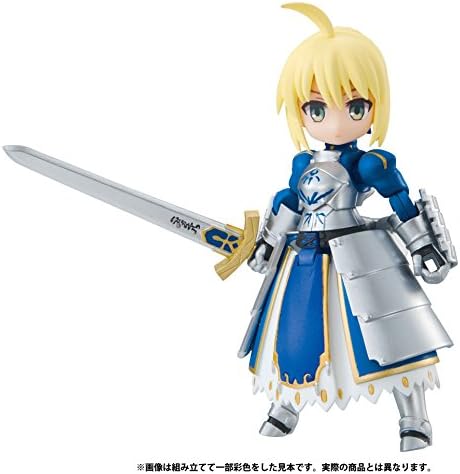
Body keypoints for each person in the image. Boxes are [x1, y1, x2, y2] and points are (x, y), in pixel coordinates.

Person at [245, 3, 456, 452]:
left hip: (361, 256)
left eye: (355, 105)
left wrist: (423, 246)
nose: (337, 120)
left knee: (392, 334)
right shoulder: (302, 164)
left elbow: (400, 202)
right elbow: (289, 202)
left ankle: (414, 416)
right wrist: (267, 243)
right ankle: (287, 403)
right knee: (296, 332)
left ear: (374, 106)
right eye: (316, 107)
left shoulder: (370, 163)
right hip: (304, 258)